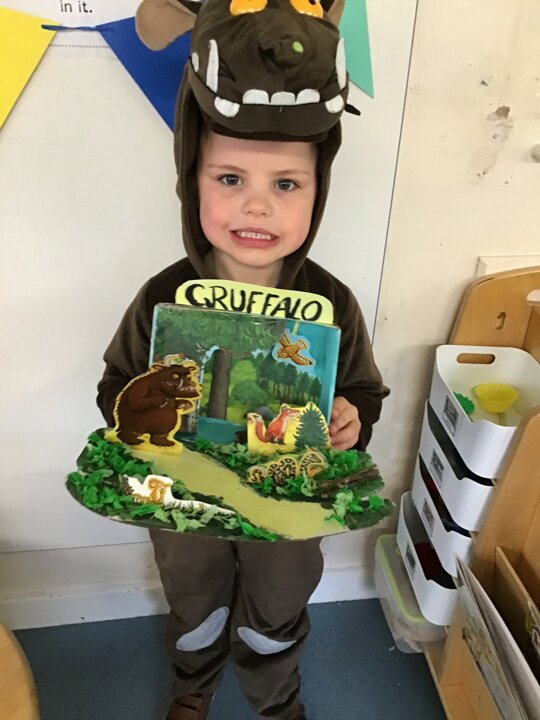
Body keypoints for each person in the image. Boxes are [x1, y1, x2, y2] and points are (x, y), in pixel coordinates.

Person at [97, 1, 389, 718]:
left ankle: (274, 697)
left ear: (317, 193)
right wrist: (138, 408)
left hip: (288, 504)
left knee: (278, 606)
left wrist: (352, 419)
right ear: (191, 181)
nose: (256, 208)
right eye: (230, 179)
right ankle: (192, 685)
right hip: (186, 500)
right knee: (193, 599)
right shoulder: (163, 297)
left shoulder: (331, 302)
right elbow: (115, 387)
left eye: (285, 184)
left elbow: (362, 390)